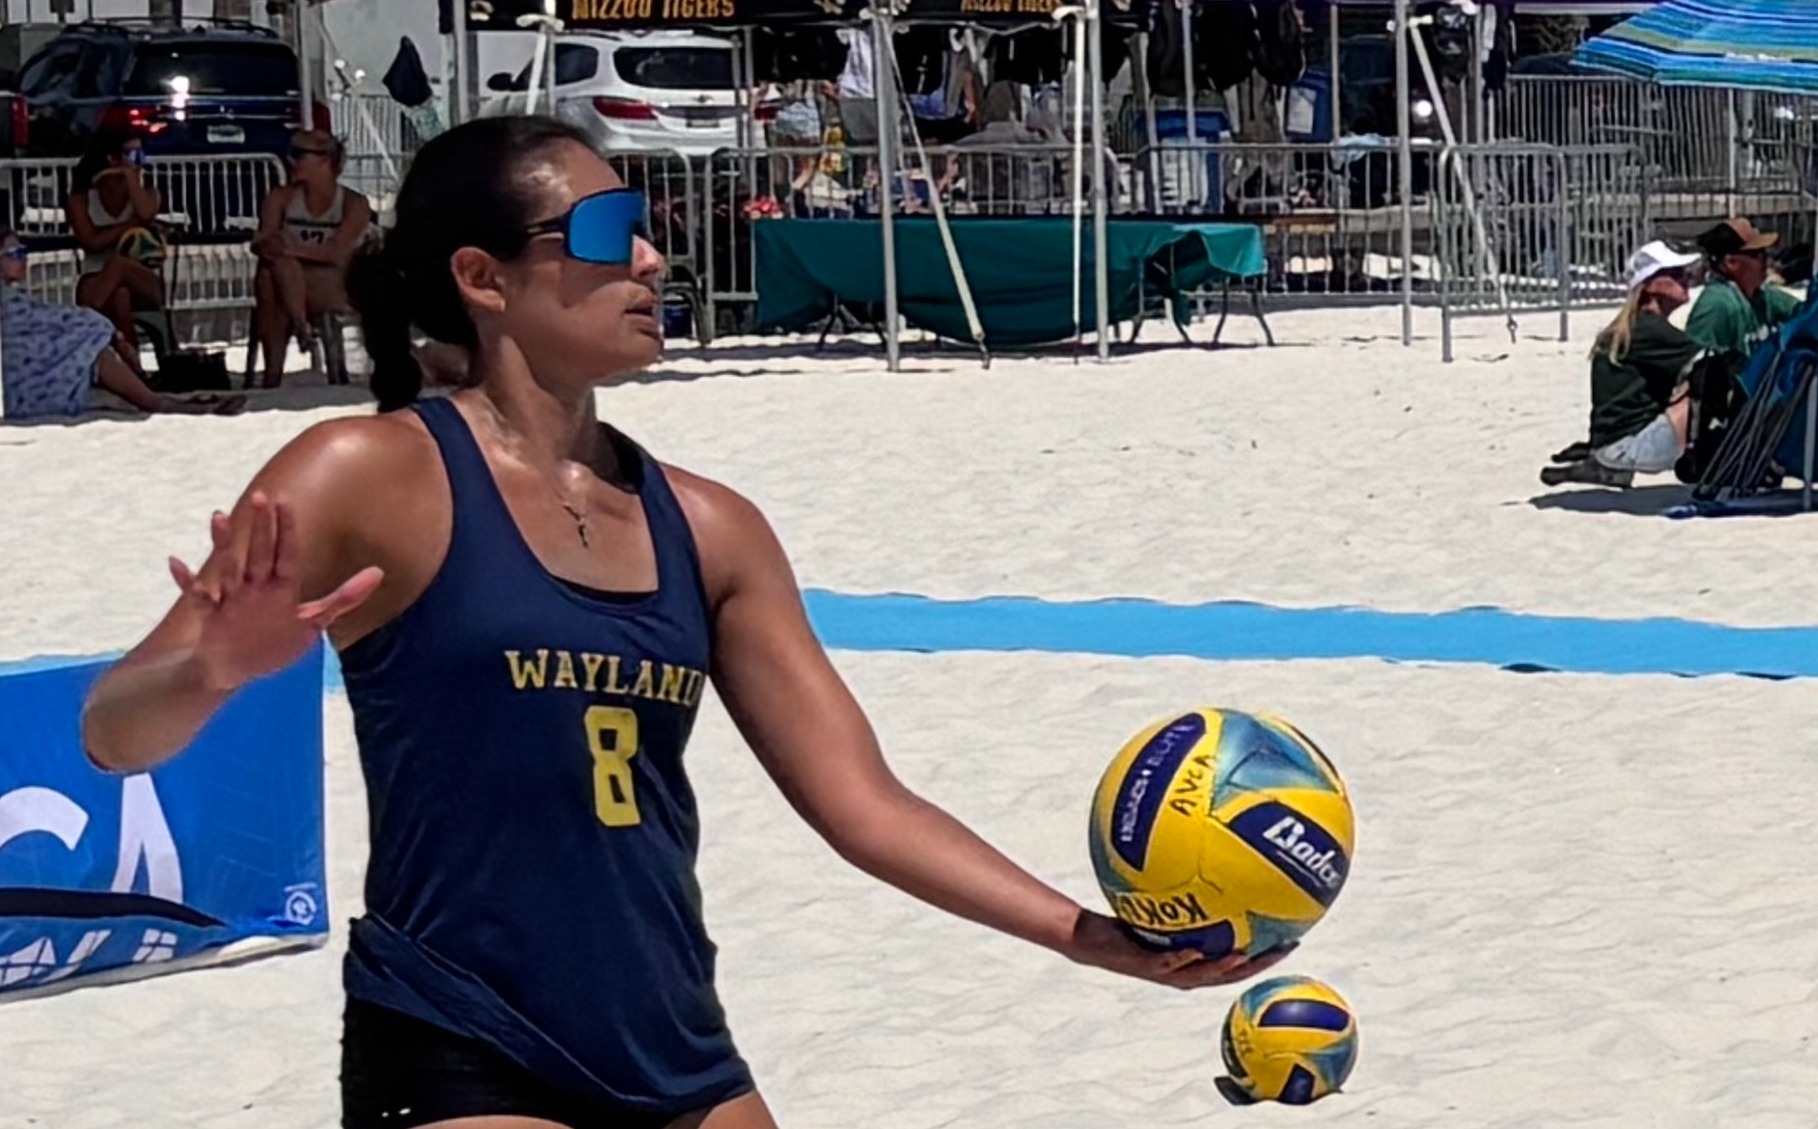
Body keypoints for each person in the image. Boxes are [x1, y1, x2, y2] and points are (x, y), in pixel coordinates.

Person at [79, 115, 1289, 1129]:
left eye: (646, 224)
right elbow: (110, 733)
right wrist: (212, 672)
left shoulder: (710, 527)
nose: (653, 258)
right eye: (606, 234)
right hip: (459, 1032)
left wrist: (1082, 935)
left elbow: (862, 802)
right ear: (483, 278)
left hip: (673, 1043)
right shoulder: (366, 471)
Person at [0, 231, 243, 421]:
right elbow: (58, 320)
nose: (24, 258)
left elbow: (52, 322)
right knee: (96, 339)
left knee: (113, 303)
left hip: (33, 367)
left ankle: (154, 398)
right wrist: (108, 332)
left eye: (23, 251)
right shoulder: (9, 301)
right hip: (28, 379)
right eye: (14, 253)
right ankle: (155, 399)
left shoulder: (12, 298)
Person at [1543, 240, 1704, 489]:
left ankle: (1598, 465)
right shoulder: (1648, 329)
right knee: (1715, 382)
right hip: (1626, 448)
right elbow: (1713, 361)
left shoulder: (1632, 328)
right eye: (1675, 274)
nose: (1685, 279)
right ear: (1650, 285)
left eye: (1686, 273)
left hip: (1609, 445)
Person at [250, 130, 374, 388]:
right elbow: (261, 241)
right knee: (272, 275)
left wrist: (291, 249)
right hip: (291, 281)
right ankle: (300, 326)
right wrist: (275, 248)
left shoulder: (354, 203)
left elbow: (337, 253)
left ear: (324, 161)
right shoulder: (281, 197)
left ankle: (273, 375)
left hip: (336, 284)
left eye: (298, 154)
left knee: (274, 274)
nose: (290, 161)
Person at [67, 131, 167, 354]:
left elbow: (146, 212)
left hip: (142, 277)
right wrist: (128, 225)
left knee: (118, 264)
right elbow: (90, 242)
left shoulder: (148, 192)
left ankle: (81, 327)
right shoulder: (81, 199)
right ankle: (134, 367)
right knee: (120, 296)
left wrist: (132, 178)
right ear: (112, 159)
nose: (139, 161)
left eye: (142, 154)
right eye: (133, 155)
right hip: (95, 276)